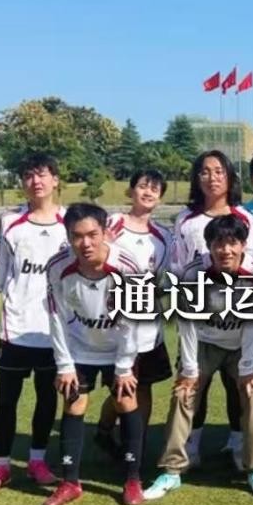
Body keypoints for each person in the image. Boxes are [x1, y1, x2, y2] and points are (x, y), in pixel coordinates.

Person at [143, 215, 253, 500]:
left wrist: (248, 367)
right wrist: (189, 370)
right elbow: (187, 322)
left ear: (243, 245)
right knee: (184, 393)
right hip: (204, 341)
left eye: (232, 243)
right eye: (218, 244)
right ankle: (172, 470)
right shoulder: (193, 273)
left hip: (243, 343)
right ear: (209, 246)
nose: (225, 250)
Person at [41, 203, 143, 505]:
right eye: (77, 236)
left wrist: (124, 367)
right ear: (68, 236)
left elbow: (133, 321)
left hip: (118, 348)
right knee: (73, 402)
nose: (85, 243)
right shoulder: (57, 267)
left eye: (92, 234)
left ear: (105, 232)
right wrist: (64, 365)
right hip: (79, 347)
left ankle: (132, 479)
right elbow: (56, 317)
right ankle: (70, 482)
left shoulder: (128, 266)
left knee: (126, 401)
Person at [0, 153, 68, 494]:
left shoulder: (69, 222)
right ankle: (1, 466)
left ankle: (37, 461)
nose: (36, 181)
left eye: (42, 174)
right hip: (15, 325)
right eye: (29, 175)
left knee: (47, 397)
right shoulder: (10, 222)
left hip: (53, 329)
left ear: (55, 180)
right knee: (6, 398)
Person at [171, 149, 253, 470]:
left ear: (230, 177)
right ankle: (191, 447)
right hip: (200, 317)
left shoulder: (244, 217)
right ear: (197, 178)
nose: (212, 178)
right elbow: (179, 266)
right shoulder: (185, 219)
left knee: (239, 386)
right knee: (194, 383)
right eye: (205, 171)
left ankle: (237, 444)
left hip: (238, 318)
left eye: (219, 171)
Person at [94, 170, 174, 462]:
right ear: (131, 191)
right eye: (143, 186)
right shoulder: (111, 223)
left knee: (144, 386)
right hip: (112, 323)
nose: (148, 192)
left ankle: (136, 447)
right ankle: (105, 430)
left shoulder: (164, 236)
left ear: (160, 197)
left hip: (147, 323)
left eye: (155, 188)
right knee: (121, 388)